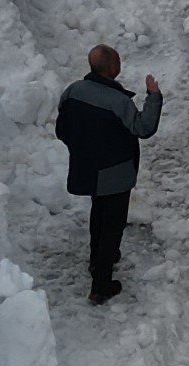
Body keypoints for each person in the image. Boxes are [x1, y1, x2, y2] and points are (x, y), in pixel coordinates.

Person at [54, 44, 162, 303]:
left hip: (88, 169)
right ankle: (101, 284)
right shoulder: (118, 101)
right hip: (115, 172)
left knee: (98, 214)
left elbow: (62, 129)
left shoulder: (72, 92)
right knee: (112, 224)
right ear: (113, 68)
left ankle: (97, 259)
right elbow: (144, 128)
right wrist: (153, 95)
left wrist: (82, 149)